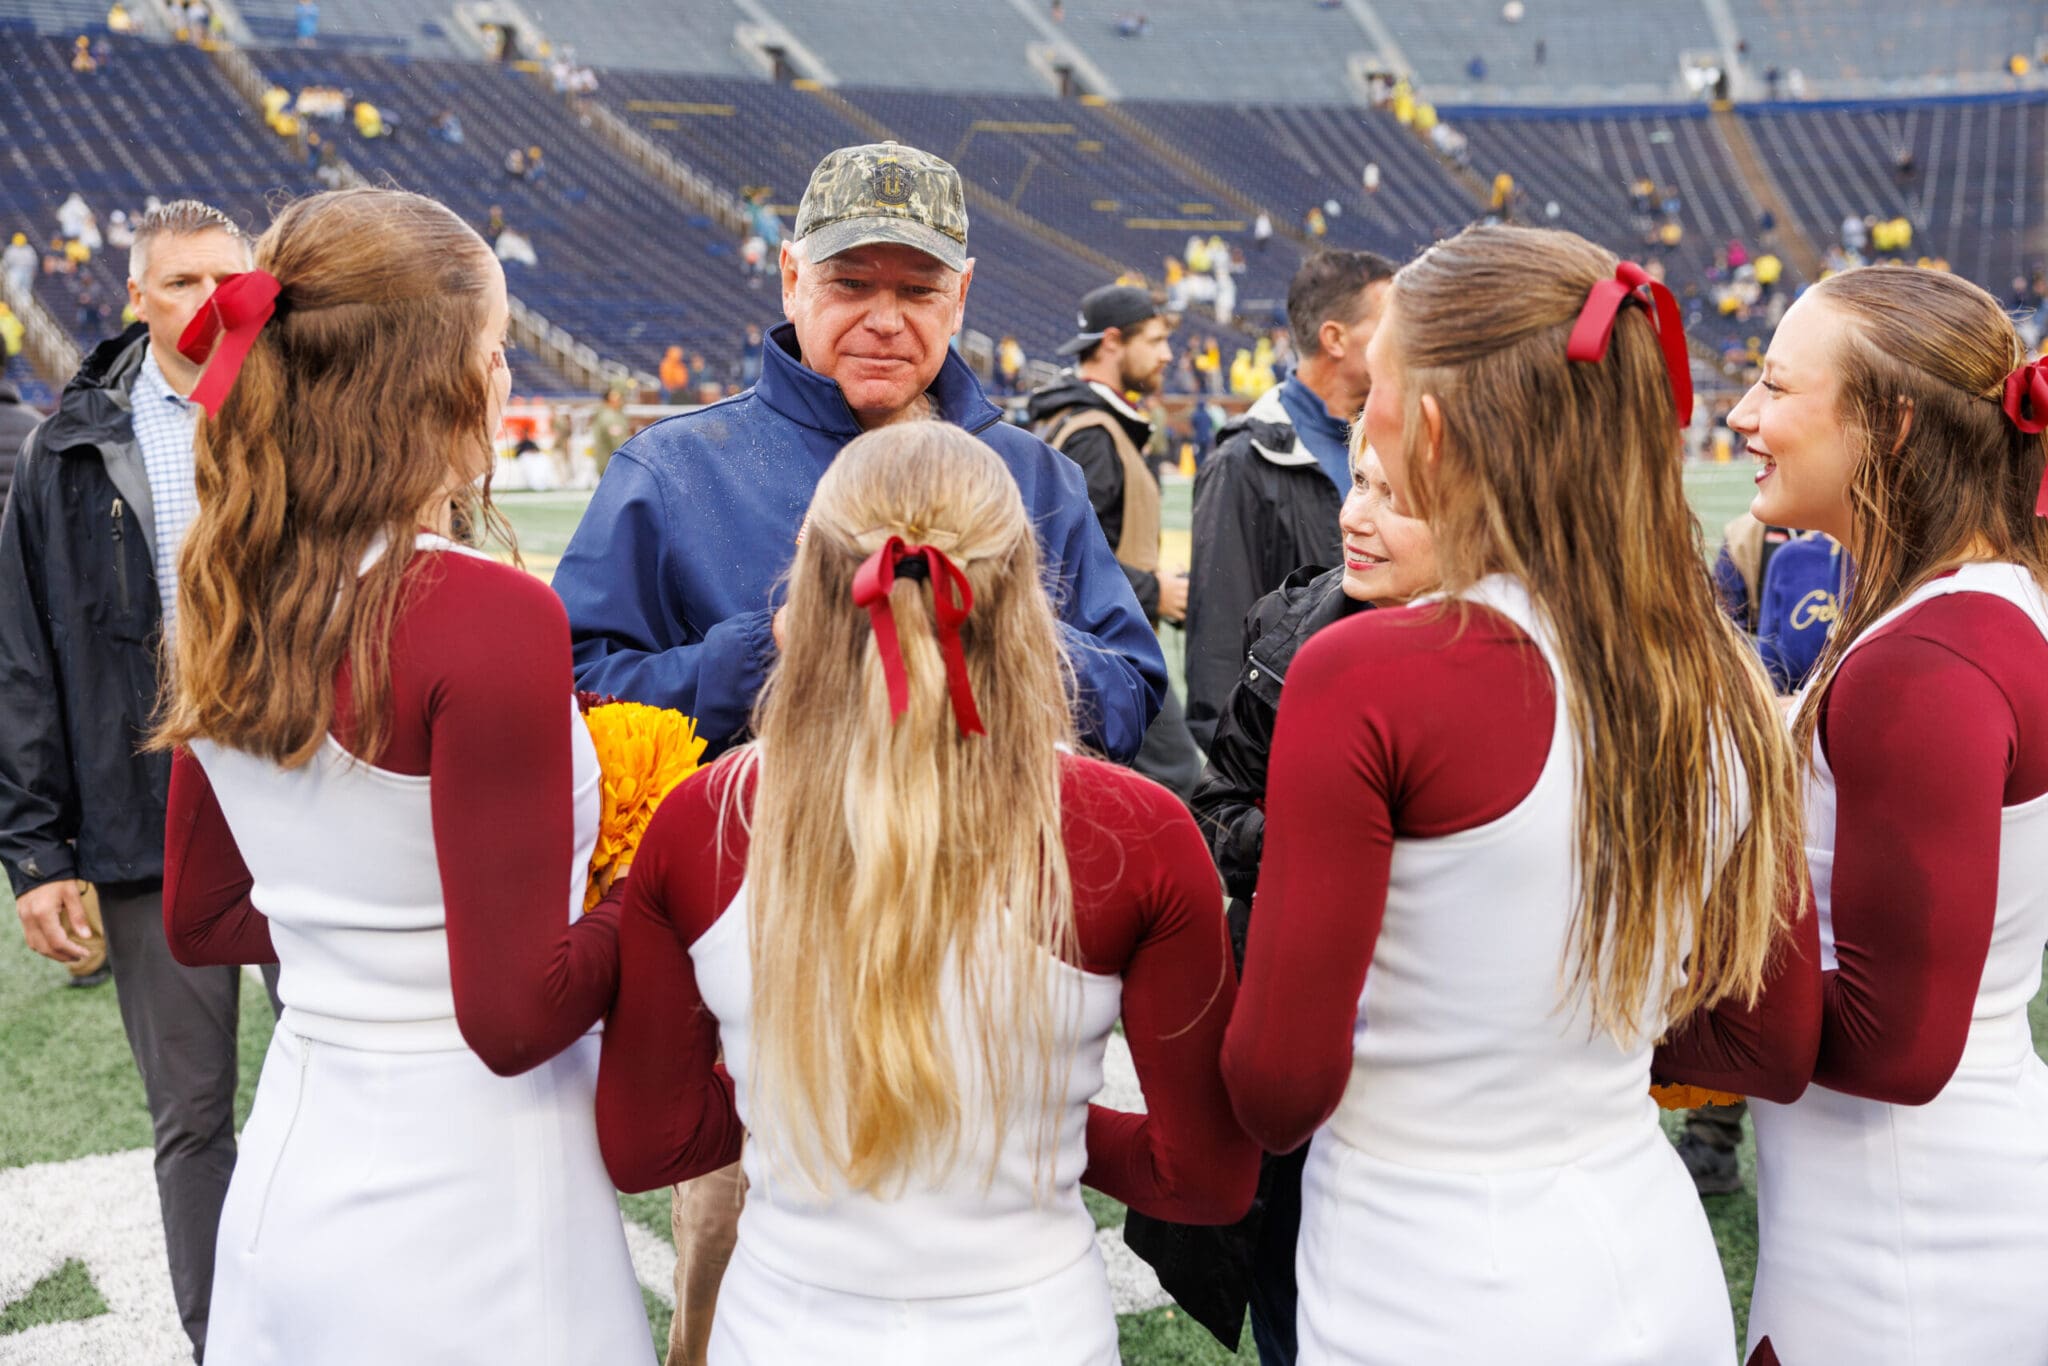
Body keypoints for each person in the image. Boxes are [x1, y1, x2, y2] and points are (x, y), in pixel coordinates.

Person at [556, 140, 1164, 1366]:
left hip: (1004, 986)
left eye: (914, 289)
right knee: (733, 1291)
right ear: (789, 280)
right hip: (764, 989)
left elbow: (1135, 678)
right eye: (850, 284)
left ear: (960, 295)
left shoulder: (1032, 477)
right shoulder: (674, 471)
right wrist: (754, 654)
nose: (883, 317)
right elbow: (570, 687)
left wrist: (996, 652)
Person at [1222, 226, 1822, 1364]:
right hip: (1649, 1246)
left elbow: (1276, 1089)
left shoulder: (1370, 671)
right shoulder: (1726, 676)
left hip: (1431, 1277)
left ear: (1433, 424)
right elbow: (1773, 1040)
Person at [596, 420, 1257, 1362]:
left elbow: (644, 1144)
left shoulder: (706, 820)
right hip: (1033, 1329)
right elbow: (1207, 1179)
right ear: (1026, 588)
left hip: (786, 1327)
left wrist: (802, 1104)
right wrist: (1026, 1129)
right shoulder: (1136, 831)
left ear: (808, 585)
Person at [154, 187, 651, 1364]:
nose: (502, 376)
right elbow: (514, 1013)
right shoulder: (483, 614)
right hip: (479, 1195)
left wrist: (361, 940)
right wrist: (661, 868)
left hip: (298, 1160)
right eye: (496, 348)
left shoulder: (219, 590)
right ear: (435, 372)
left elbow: (202, 913)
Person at [1731, 266, 2048, 1365]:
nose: (1741, 415)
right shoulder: (1961, 605)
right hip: (1897, 1195)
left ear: (1892, 421)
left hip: (1902, 1240)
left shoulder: (1924, 659)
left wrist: (1611, 1013)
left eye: (1773, 385)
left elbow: (1894, 1043)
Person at [0, 201, 280, 1362]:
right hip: (149, 811)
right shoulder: (64, 449)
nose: (207, 301)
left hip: (300, 796)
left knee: (360, 1071)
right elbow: (25, 656)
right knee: (192, 1116)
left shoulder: (301, 415)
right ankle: (222, 1340)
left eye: (228, 278)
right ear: (135, 296)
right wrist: (37, 851)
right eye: (179, 283)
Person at [1128, 426, 1439, 1364]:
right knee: (1294, 1287)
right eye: (1357, 485)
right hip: (1300, 1025)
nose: (1356, 517)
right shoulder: (1295, 622)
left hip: (1433, 1059)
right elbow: (1219, 804)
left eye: (1396, 497)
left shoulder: (1524, 657)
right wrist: (1313, 848)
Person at [1185, 249, 1395, 751]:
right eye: (1389, 323)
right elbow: (1218, 659)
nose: (1404, 338)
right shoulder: (1245, 460)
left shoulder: (1394, 438)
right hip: (1296, 753)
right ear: (1335, 339)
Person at [1026, 284, 1200, 798]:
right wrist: (1153, 592)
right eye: (1155, 340)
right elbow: (1062, 562)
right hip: (1106, 648)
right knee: (1177, 776)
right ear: (1111, 342)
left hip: (1095, 647)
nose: (1168, 354)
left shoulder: (1080, 421)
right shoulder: (1092, 435)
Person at [589, 385, 631, 476]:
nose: (621, 401)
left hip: (608, 464)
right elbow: (617, 443)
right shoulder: (609, 417)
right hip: (612, 465)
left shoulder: (611, 415)